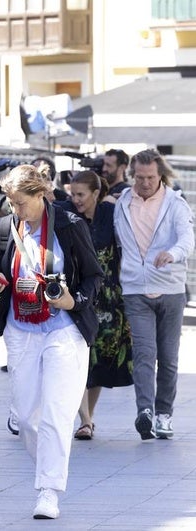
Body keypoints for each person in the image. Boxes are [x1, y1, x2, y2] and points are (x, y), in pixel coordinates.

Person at [0, 164, 102, 519]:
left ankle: (48, 491)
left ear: (41, 195)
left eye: (21, 203)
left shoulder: (69, 224)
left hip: (64, 329)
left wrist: (73, 300)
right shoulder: (5, 227)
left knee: (55, 414)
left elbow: (94, 275)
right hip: (21, 329)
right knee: (28, 417)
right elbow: (4, 269)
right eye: (11, 203)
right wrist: (0, 281)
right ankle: (49, 464)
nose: (16, 210)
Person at [113, 149, 194, 441]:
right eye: (140, 177)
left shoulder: (176, 204)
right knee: (145, 354)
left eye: (150, 177)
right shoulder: (123, 203)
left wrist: (172, 254)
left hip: (171, 290)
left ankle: (164, 415)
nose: (145, 183)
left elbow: (187, 239)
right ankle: (145, 412)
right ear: (133, 174)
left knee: (169, 357)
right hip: (136, 289)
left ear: (160, 175)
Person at [62, 171, 132, 440]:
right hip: (79, 296)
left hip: (110, 298)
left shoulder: (110, 213)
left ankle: (88, 417)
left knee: (100, 358)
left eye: (81, 194)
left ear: (96, 193)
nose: (76, 199)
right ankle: (86, 420)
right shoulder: (66, 212)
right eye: (73, 194)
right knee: (79, 358)